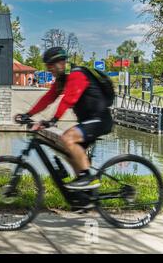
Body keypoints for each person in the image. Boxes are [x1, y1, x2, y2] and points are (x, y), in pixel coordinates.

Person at [15, 47, 114, 192]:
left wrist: (53, 120)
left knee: (68, 138)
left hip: (99, 119)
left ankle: (87, 178)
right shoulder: (62, 80)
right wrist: (28, 114)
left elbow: (68, 100)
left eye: (51, 65)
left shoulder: (77, 74)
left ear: (61, 63)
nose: (49, 69)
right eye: (47, 66)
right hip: (88, 121)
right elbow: (48, 98)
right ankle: (84, 196)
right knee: (68, 150)